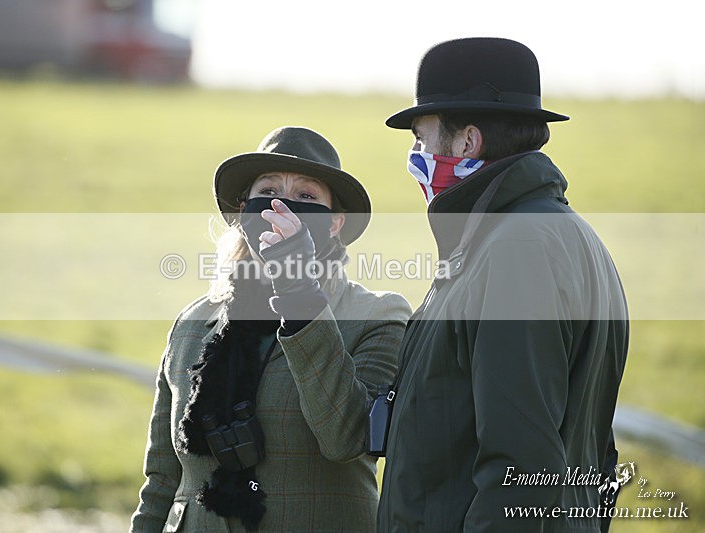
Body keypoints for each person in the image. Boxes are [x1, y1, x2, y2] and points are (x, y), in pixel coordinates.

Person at [376, 38, 629, 532]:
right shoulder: (548, 235)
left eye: (422, 139)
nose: (416, 155)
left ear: (467, 143)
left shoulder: (516, 249)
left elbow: (520, 466)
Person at [131, 126, 411, 532]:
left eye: (306, 196)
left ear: (335, 223)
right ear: (244, 211)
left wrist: (299, 293)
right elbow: (161, 482)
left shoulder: (376, 315)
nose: (281, 206)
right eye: (268, 191)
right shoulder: (193, 323)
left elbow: (346, 439)